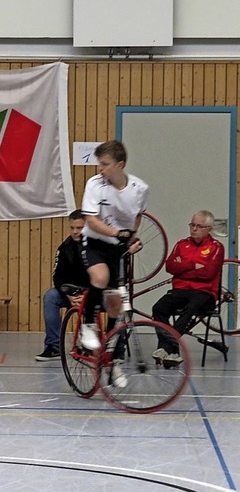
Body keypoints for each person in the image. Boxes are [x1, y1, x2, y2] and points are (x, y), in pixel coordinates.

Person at [80, 140, 148, 387]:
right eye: (100, 164)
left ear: (120, 165)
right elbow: (92, 221)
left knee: (116, 304)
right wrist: (116, 233)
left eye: (105, 165)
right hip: (96, 243)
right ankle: (87, 326)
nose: (101, 169)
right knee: (100, 279)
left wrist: (130, 238)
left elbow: (138, 215)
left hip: (117, 247)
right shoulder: (95, 184)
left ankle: (113, 361)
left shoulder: (140, 188)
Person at [152, 210, 224, 366]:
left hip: (205, 293)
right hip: (180, 290)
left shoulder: (216, 247)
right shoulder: (181, 244)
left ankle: (166, 346)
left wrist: (182, 268)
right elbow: (170, 266)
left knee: (191, 307)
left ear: (209, 229)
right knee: (159, 308)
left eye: (199, 226)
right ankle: (173, 353)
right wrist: (193, 265)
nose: (194, 229)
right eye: (192, 225)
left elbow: (208, 273)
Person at [35, 210, 89, 361]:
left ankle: (115, 348)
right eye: (72, 228)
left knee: (116, 299)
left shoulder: (97, 246)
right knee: (50, 296)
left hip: (93, 293)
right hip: (71, 293)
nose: (75, 232)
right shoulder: (64, 248)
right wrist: (69, 295)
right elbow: (57, 276)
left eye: (79, 228)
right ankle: (54, 347)